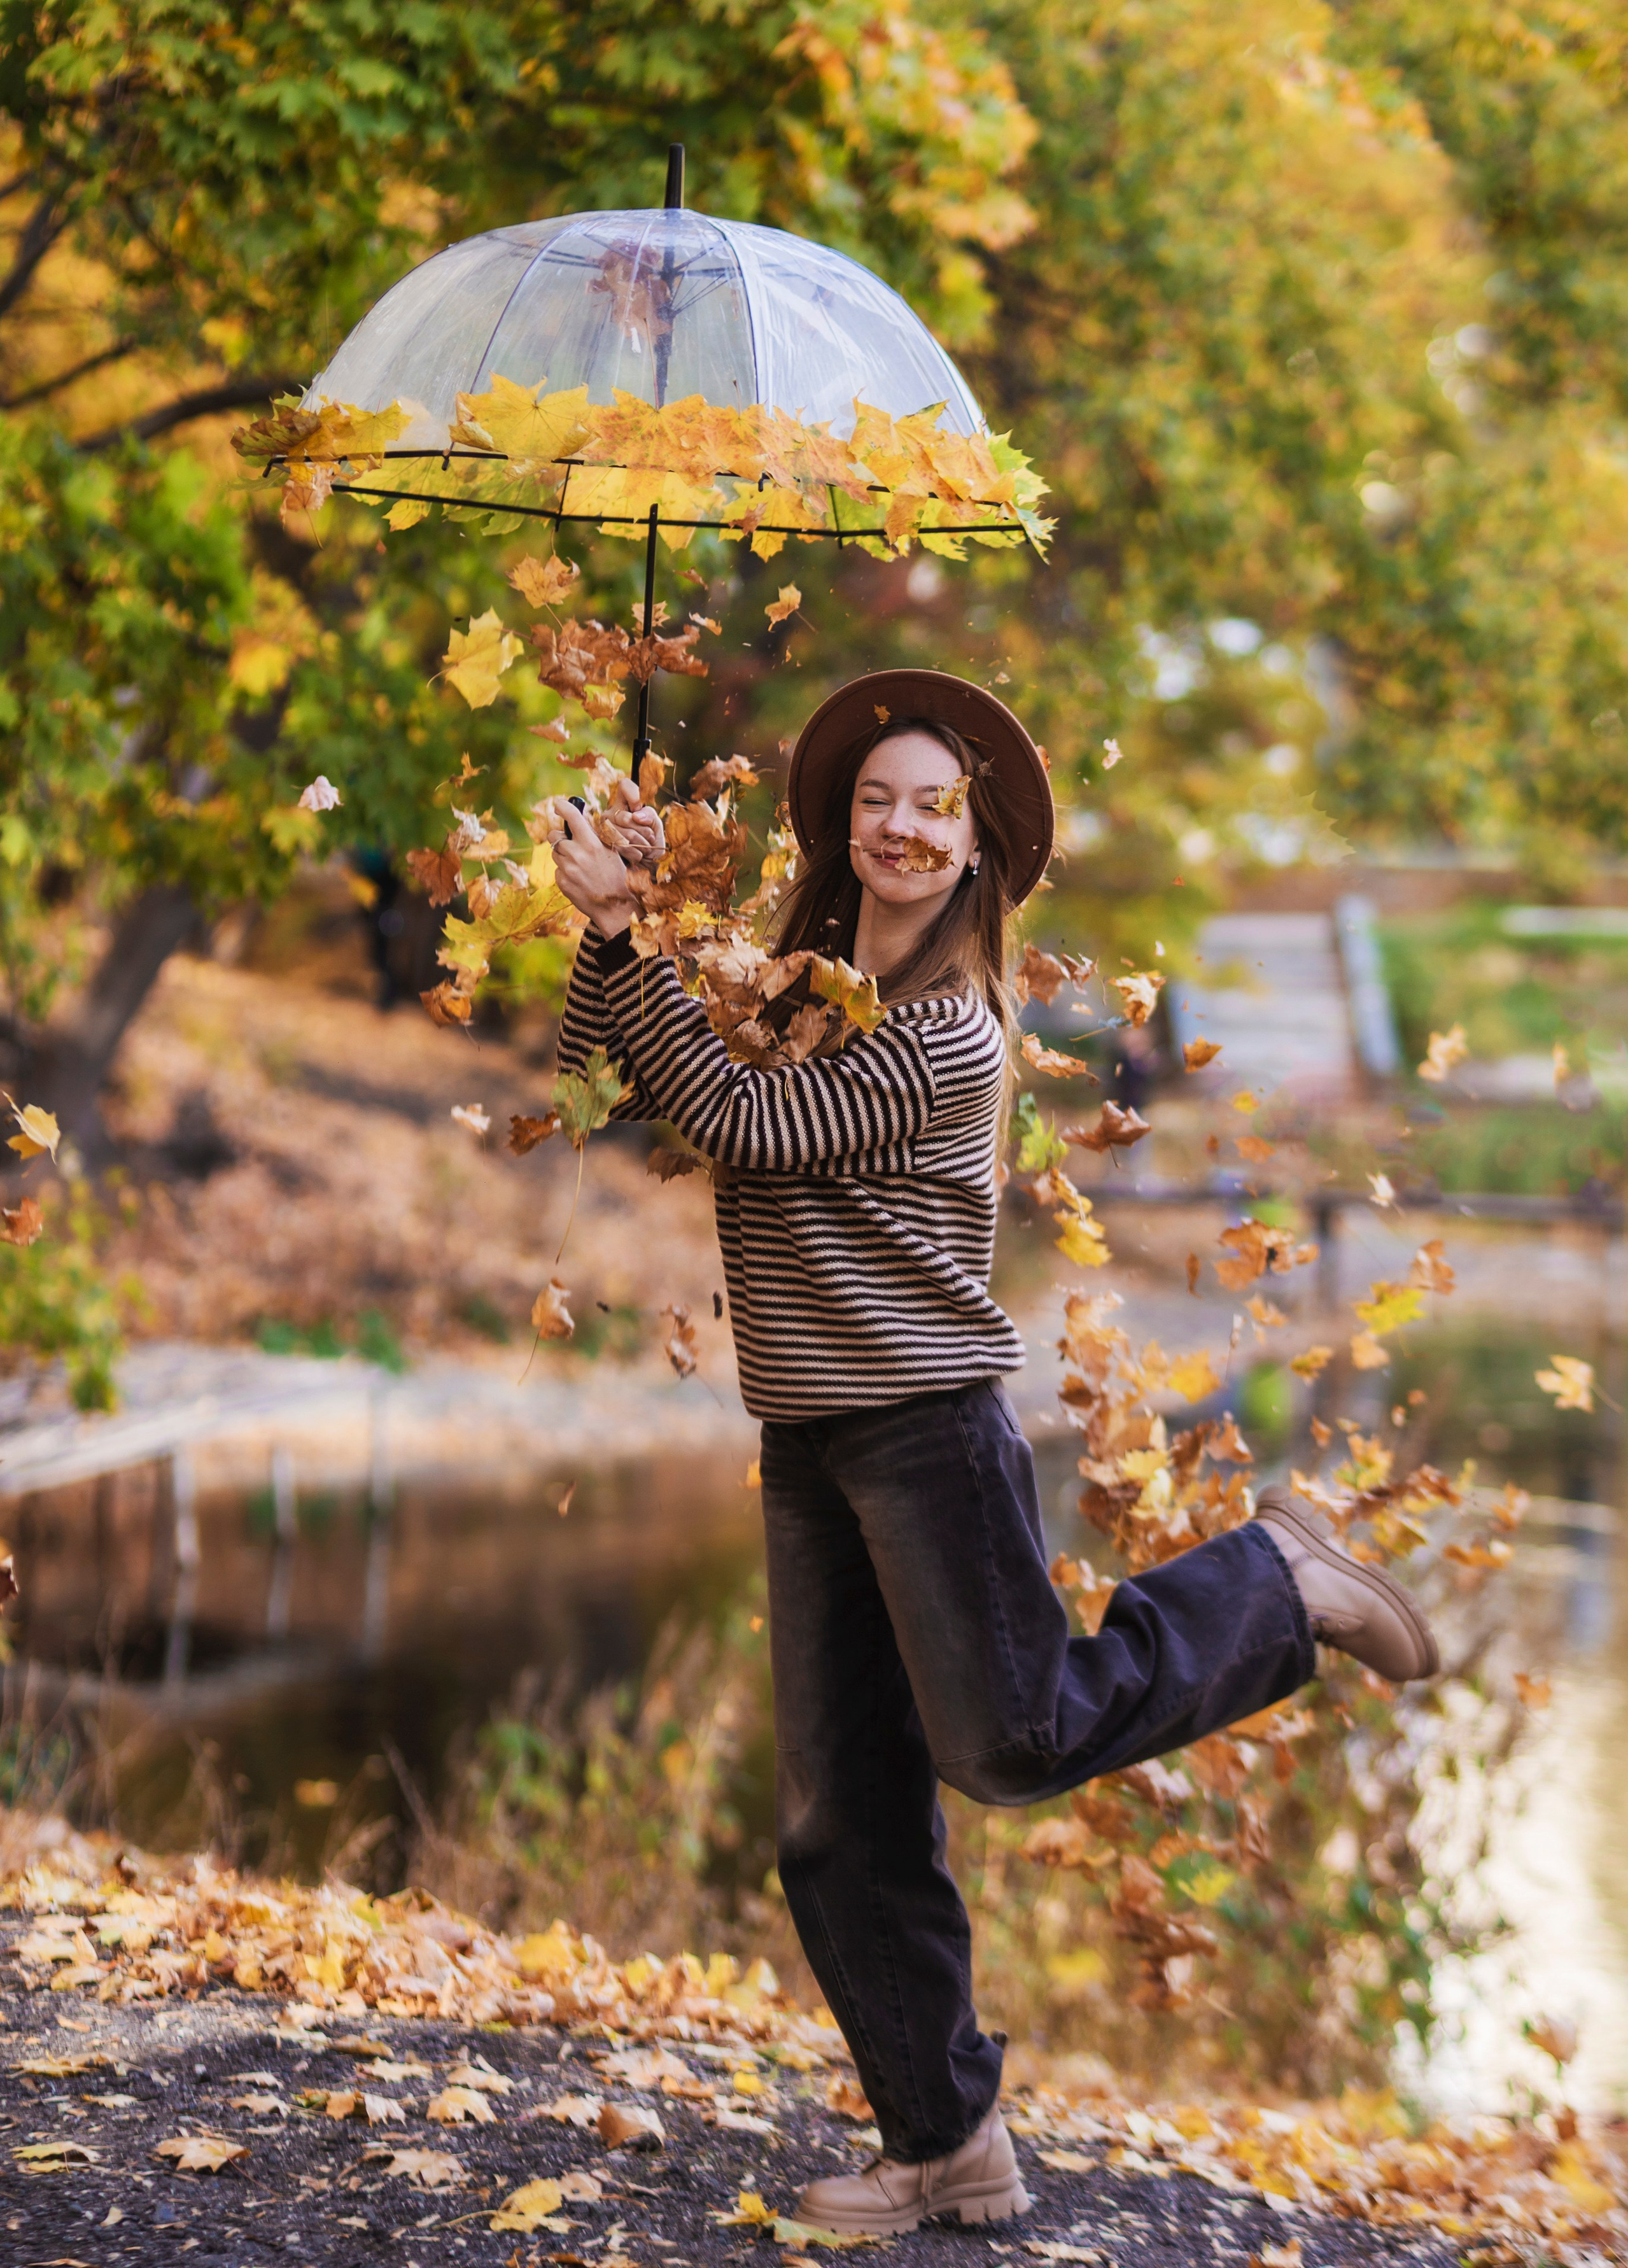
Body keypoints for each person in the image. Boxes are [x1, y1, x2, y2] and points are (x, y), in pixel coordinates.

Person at [549, 668, 1437, 2237]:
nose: (897, 828)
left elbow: (744, 1130)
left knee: (1011, 1741)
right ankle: (945, 2142)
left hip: (923, 1428)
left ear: (974, 849)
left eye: (931, 809)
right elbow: (619, 1083)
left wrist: (635, 953)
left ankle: (1277, 1581)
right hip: (809, 1435)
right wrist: (606, 915)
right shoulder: (796, 997)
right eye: (876, 800)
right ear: (843, 821)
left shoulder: (950, 1031)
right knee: (839, 1819)